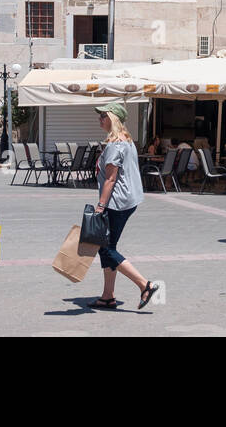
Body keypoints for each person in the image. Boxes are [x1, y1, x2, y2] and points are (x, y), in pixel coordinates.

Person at [91, 101, 159, 311]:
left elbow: (111, 179)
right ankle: (107, 296)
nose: (99, 119)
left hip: (116, 202)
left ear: (113, 118)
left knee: (106, 248)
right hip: (128, 200)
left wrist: (101, 206)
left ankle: (144, 285)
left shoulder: (115, 144)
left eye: (103, 115)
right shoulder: (126, 141)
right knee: (107, 247)